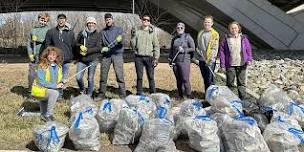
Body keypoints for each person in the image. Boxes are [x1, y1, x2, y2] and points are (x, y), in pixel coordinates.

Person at [219, 21, 253, 100]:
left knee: (241, 83)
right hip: (230, 64)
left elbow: (248, 49)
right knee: (230, 83)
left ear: (238, 29)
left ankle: (243, 99)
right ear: (229, 29)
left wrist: (249, 59)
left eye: (235, 28)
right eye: (232, 28)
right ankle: (230, 99)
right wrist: (222, 65)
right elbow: (222, 52)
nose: (234, 29)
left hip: (242, 63)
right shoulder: (225, 39)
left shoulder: (243, 38)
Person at [45, 14, 75, 99]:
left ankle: (60, 96)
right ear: (57, 20)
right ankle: (53, 94)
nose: (61, 21)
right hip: (56, 60)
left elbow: (73, 45)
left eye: (63, 19)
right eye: (60, 19)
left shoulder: (70, 32)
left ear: (65, 21)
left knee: (63, 79)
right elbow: (48, 45)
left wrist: (75, 57)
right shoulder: (51, 32)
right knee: (55, 78)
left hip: (67, 59)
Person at [31, 47, 64, 122]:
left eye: (54, 55)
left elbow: (58, 79)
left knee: (47, 97)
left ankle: (43, 115)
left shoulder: (58, 67)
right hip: (38, 90)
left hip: (46, 90)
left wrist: (62, 82)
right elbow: (41, 82)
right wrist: (55, 86)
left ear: (56, 57)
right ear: (46, 55)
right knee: (54, 93)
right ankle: (49, 115)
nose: (51, 57)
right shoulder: (41, 66)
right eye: (50, 55)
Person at [97, 13, 126, 99]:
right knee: (103, 76)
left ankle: (123, 95)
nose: (108, 20)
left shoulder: (119, 30)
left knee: (119, 76)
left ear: (112, 20)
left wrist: (120, 39)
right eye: (106, 19)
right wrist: (102, 49)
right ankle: (101, 94)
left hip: (117, 55)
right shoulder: (102, 32)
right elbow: (99, 44)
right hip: (106, 56)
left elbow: (123, 39)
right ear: (105, 21)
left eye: (109, 19)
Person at [130, 15, 160, 95]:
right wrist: (132, 36)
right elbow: (133, 46)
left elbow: (156, 46)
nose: (146, 21)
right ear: (142, 21)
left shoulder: (152, 33)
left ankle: (152, 93)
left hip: (149, 58)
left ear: (149, 22)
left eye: (148, 20)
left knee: (151, 76)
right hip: (138, 58)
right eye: (144, 19)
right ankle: (139, 93)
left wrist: (156, 58)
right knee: (139, 77)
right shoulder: (137, 32)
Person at [169, 22, 195, 99]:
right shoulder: (174, 38)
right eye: (178, 28)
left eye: (181, 28)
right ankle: (181, 95)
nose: (179, 29)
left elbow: (193, 48)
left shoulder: (188, 37)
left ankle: (189, 95)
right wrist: (170, 58)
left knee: (185, 79)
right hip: (175, 61)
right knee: (178, 79)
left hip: (184, 61)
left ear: (184, 28)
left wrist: (184, 50)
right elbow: (171, 50)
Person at [75, 17, 100, 97]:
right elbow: (76, 43)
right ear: (87, 24)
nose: (91, 24)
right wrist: (80, 46)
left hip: (92, 59)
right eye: (89, 23)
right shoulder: (82, 33)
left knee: (90, 78)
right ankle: (82, 90)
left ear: (95, 24)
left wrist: (87, 50)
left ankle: (89, 94)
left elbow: (98, 47)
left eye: (92, 23)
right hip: (82, 60)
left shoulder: (98, 35)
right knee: (78, 77)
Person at [194, 15, 220, 91]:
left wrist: (211, 60)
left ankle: (212, 97)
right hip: (202, 60)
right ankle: (207, 95)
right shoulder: (201, 32)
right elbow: (199, 45)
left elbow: (215, 48)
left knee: (210, 80)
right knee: (205, 79)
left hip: (210, 61)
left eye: (208, 22)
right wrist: (197, 52)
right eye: (205, 22)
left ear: (212, 23)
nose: (207, 24)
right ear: (203, 23)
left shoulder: (215, 34)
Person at [27, 12, 50, 92]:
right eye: (41, 19)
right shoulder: (33, 30)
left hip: (44, 56)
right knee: (32, 74)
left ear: (47, 21)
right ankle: (30, 89)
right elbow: (28, 43)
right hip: (34, 55)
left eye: (45, 20)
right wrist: (30, 54)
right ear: (39, 19)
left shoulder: (49, 30)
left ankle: (42, 89)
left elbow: (48, 42)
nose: (43, 21)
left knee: (43, 74)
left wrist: (38, 40)